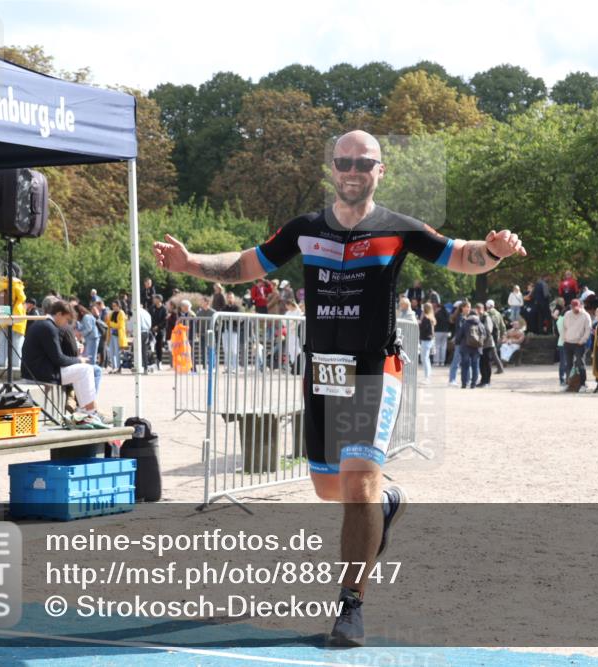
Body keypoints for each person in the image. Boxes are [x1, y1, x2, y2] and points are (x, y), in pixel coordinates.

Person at [152, 129, 525, 647]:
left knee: (357, 486)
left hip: (375, 367)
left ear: (380, 170)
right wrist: (191, 264)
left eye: (363, 162)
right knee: (330, 488)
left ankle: (351, 604)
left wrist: (494, 250)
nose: (352, 170)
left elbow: (461, 255)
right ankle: (388, 502)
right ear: (332, 168)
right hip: (322, 372)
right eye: (343, 161)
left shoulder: (399, 228)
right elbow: (248, 263)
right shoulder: (305, 229)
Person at [21, 300, 106, 427]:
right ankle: (90, 412)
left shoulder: (42, 325)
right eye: (66, 320)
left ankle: (86, 410)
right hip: (41, 374)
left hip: (35, 371)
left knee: (81, 371)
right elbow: (59, 359)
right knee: (86, 369)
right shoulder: (49, 328)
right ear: (59, 314)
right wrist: (79, 360)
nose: (66, 324)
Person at [0, 263, 27, 368]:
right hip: (16, 313)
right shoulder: (17, 283)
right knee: (16, 342)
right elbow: (22, 298)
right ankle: (16, 364)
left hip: (2, 312)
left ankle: (1, 361)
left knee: (2, 339)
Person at [562, 298, 591, 389]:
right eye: (573, 307)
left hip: (579, 343)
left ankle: (583, 384)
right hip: (568, 342)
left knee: (580, 363)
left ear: (580, 306)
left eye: (577, 307)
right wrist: (564, 338)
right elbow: (564, 327)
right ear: (571, 307)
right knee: (568, 364)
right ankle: (569, 384)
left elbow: (588, 330)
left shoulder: (585, 315)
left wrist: (582, 340)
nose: (575, 309)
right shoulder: (567, 314)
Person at [456, 304, 486, 389]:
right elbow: (485, 335)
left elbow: (459, 335)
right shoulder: (480, 324)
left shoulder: (465, 323)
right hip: (477, 348)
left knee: (465, 366)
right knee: (475, 366)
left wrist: (458, 343)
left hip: (465, 347)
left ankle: (464, 384)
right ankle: (473, 384)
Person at [105, 300, 127, 373]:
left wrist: (111, 324)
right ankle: (113, 367)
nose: (113, 307)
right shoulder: (111, 313)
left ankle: (118, 367)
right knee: (111, 352)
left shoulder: (121, 313)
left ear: (118, 305)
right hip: (111, 335)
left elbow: (119, 325)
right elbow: (108, 323)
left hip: (118, 335)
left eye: (115, 305)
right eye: (113, 306)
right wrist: (109, 322)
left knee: (117, 352)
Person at [484, 300, 506, 374]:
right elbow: (502, 326)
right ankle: (499, 368)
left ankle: (494, 368)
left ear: (487, 306)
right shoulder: (498, 313)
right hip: (497, 335)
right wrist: (503, 335)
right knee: (493, 352)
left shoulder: (486, 314)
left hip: (489, 335)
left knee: (491, 352)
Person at [150, 294, 168, 371]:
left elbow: (165, 320)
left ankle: (159, 361)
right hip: (152, 329)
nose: (154, 300)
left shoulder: (164, 309)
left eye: (155, 299)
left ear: (159, 300)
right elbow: (149, 317)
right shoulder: (152, 308)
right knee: (150, 346)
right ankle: (151, 362)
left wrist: (158, 326)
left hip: (160, 330)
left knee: (159, 346)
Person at [418, 302, 436, 383]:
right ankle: (428, 376)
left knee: (424, 359)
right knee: (426, 358)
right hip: (429, 340)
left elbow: (423, 329)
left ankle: (427, 377)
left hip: (426, 340)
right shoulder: (431, 317)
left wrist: (420, 323)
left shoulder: (425, 318)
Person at [433, 302, 451, 366]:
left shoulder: (437, 313)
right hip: (445, 332)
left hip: (438, 331)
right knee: (443, 347)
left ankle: (436, 361)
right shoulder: (447, 313)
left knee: (437, 346)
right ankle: (442, 361)